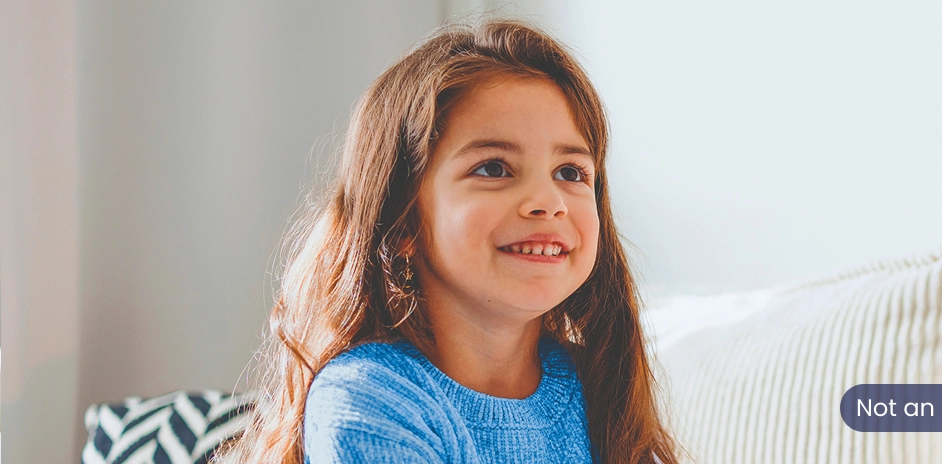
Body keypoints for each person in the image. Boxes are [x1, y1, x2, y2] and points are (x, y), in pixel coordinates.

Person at [215, 18, 680, 464]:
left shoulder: (598, 385)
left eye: (571, 173)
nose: (549, 200)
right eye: (494, 168)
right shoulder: (370, 399)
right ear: (400, 224)